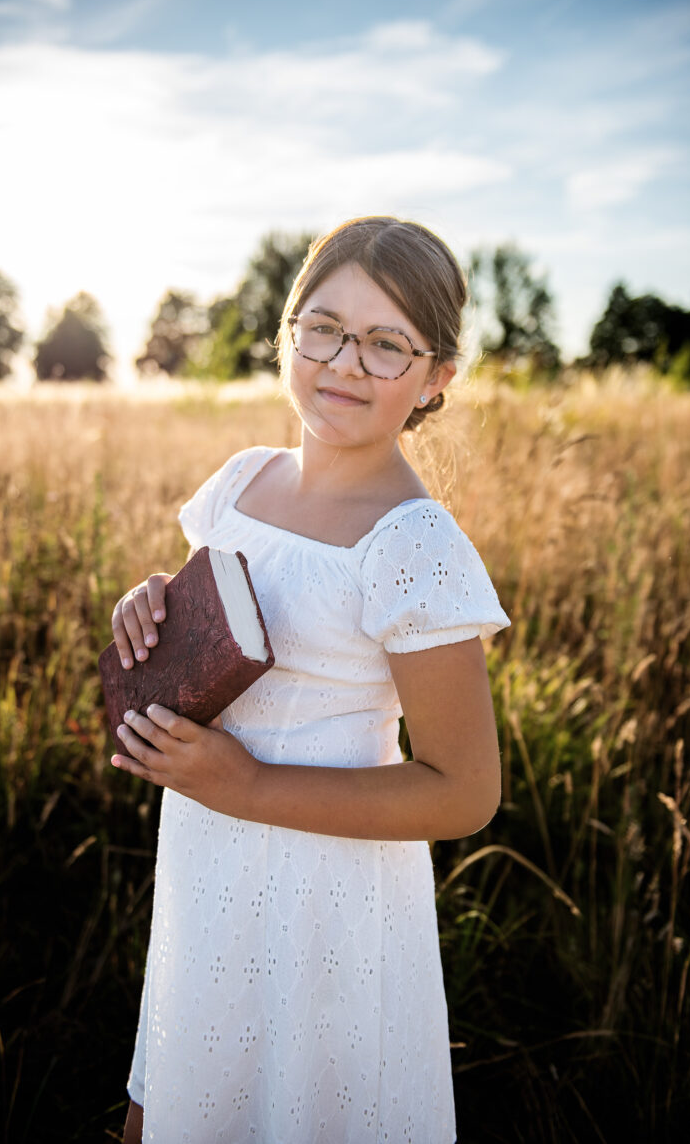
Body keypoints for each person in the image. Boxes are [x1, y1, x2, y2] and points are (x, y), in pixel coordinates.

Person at [111, 216, 510, 1144]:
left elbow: (466, 791)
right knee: (184, 1092)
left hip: (326, 907)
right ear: (289, 329)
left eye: (386, 345)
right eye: (323, 328)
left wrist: (245, 783)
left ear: (435, 377)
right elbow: (216, 624)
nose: (345, 364)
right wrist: (149, 606)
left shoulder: (413, 544)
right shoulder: (242, 484)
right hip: (210, 866)